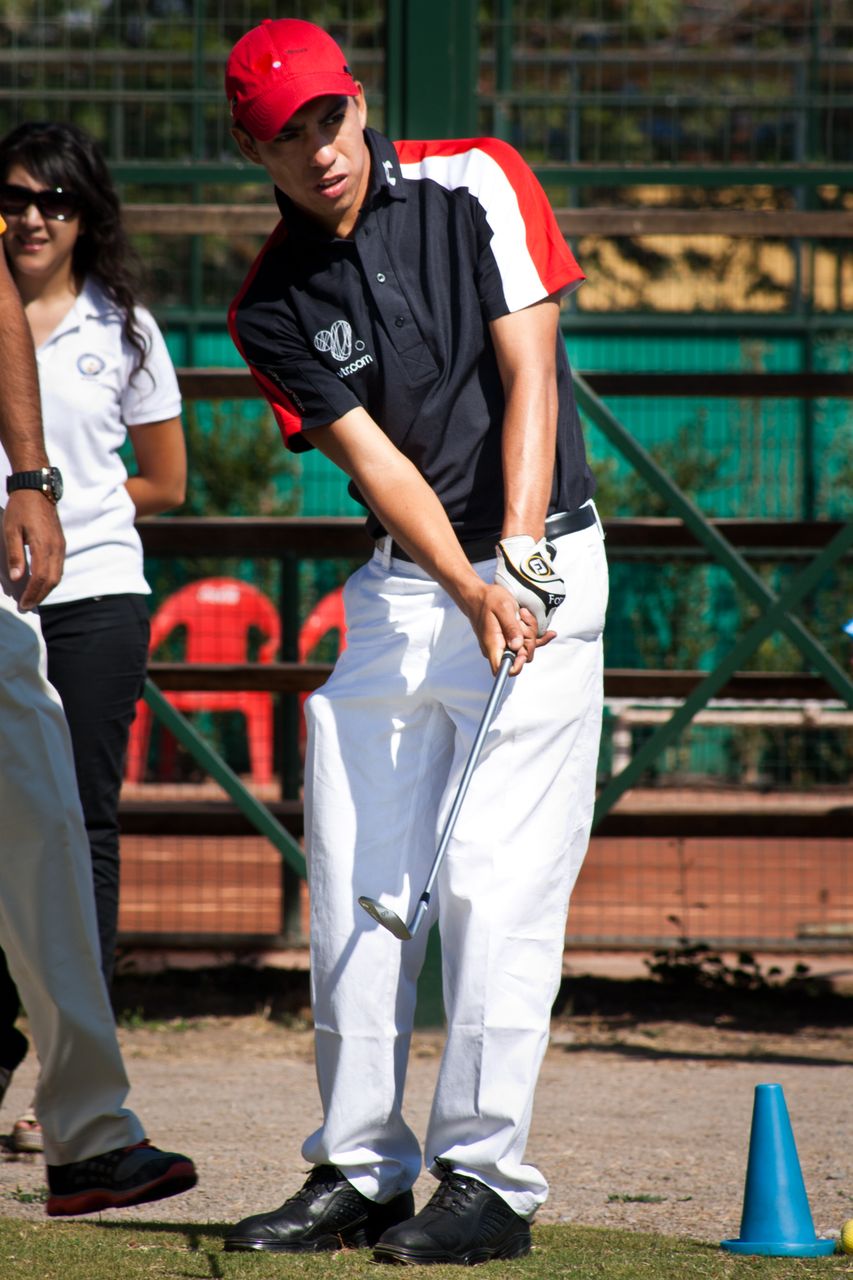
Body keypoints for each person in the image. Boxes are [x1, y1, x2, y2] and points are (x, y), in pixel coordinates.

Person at [223, 18, 607, 1266]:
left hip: (539, 564)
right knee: (355, 881)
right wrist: (459, 578)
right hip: (407, 586)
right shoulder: (266, 304)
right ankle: (359, 1166)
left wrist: (519, 559)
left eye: (327, 116)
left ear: (357, 100)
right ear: (256, 150)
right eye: (286, 134)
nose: (318, 148)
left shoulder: (479, 175)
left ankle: (488, 1181)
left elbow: (532, 374)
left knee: (496, 884)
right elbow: (376, 463)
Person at [0, 220, 196, 1215]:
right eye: (16, 195)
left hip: (75, 587)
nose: (31, 215)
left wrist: (32, 481)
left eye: (54, 197)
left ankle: (81, 1127)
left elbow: (165, 472)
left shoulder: (124, 325)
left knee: (56, 820)